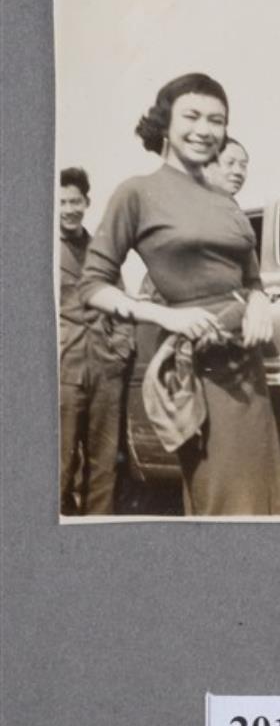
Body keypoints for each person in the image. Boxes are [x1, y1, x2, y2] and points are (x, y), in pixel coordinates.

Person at [79, 73, 280, 517]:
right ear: (165, 122)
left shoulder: (224, 200)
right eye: (192, 116)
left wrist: (258, 302)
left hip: (245, 367)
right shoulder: (137, 192)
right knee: (221, 496)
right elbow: (93, 285)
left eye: (217, 120)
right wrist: (164, 316)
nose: (204, 129)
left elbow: (251, 279)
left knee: (262, 493)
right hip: (198, 365)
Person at [59, 167, 133, 515]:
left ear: (87, 203)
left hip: (104, 366)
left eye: (75, 201)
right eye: (62, 202)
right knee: (58, 463)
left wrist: (120, 350)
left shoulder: (100, 252)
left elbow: (122, 303)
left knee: (104, 464)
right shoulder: (41, 251)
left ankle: (94, 534)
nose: (69, 209)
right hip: (63, 368)